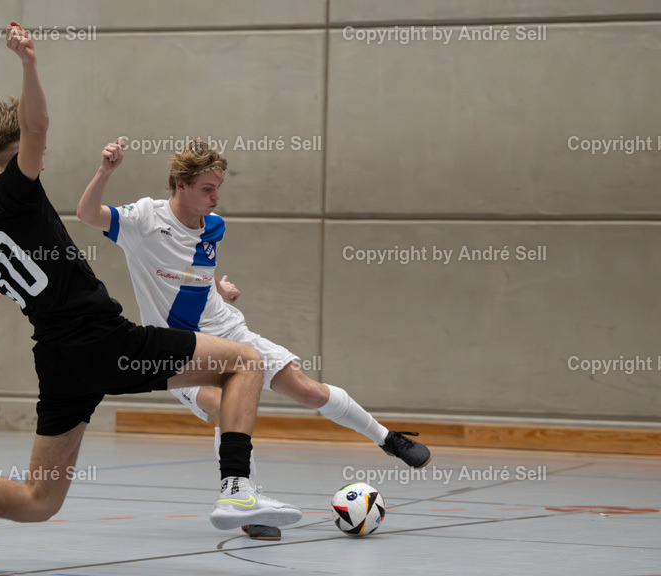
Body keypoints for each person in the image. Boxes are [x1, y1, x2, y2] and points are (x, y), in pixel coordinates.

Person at [0, 22, 301, 538]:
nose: (40, 154)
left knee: (39, 499)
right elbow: (38, 128)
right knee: (244, 360)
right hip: (102, 339)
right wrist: (28, 63)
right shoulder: (16, 193)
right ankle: (236, 489)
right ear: (18, 146)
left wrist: (28, 279)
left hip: (57, 357)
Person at [76, 137, 431, 540]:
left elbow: (191, 273)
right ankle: (244, 500)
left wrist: (217, 290)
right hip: (181, 348)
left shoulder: (214, 226)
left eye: (219, 187)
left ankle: (387, 438)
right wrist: (106, 170)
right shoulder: (143, 219)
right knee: (227, 409)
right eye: (207, 188)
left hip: (228, 330)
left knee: (310, 392)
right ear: (180, 184)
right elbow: (87, 214)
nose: (216, 196)